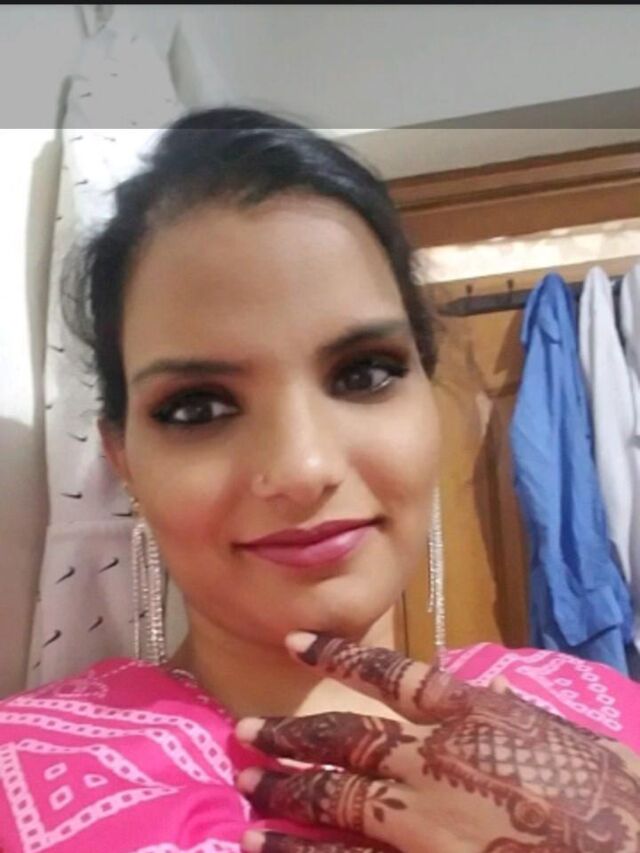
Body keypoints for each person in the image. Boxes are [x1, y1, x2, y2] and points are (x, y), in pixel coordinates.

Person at [0, 108, 638, 853]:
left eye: (364, 373)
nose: (303, 470)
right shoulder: (20, 778)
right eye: (198, 406)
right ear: (124, 459)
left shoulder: (601, 712)